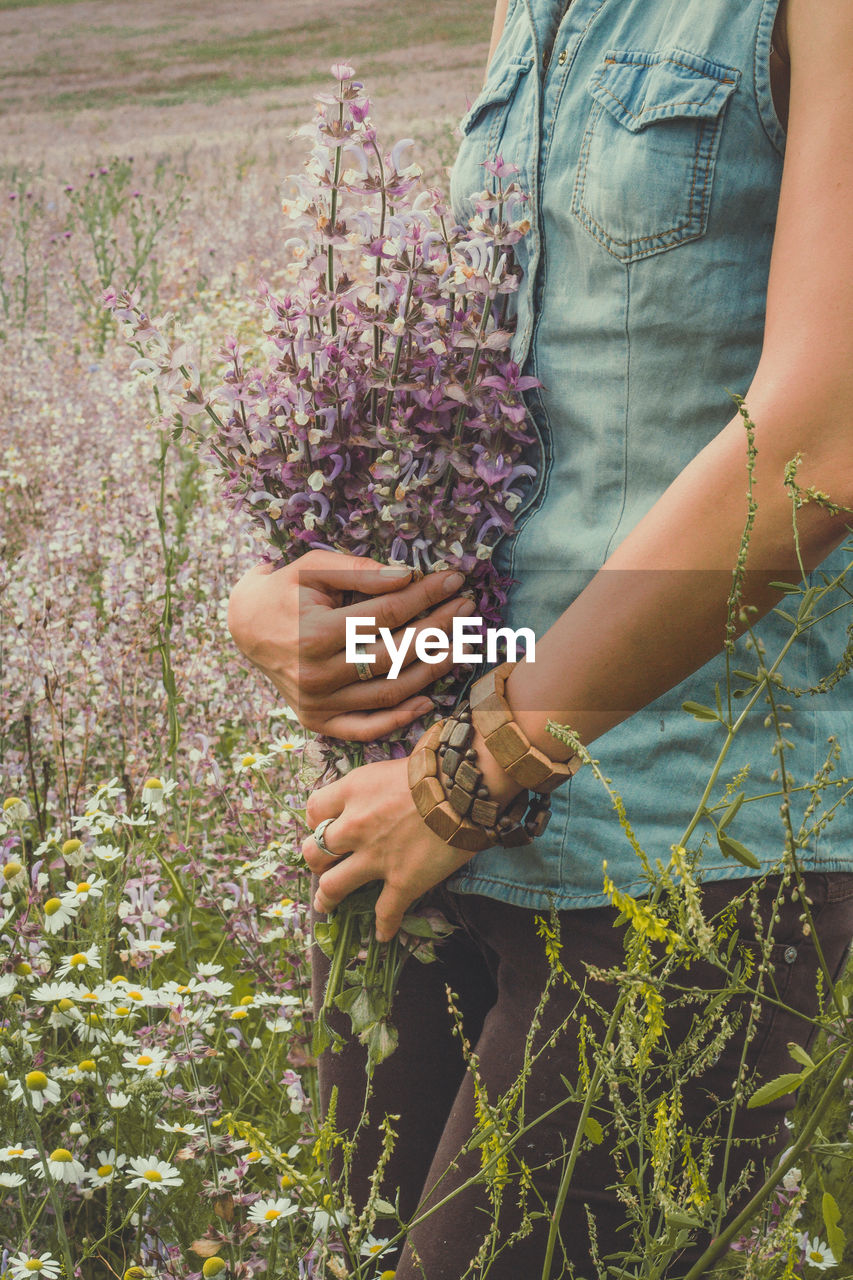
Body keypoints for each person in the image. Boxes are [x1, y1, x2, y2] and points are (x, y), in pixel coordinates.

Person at [228, 0, 853, 1273]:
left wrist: (475, 768)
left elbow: (824, 437)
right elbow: (529, 440)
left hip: (687, 851)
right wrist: (296, 607)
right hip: (429, 833)